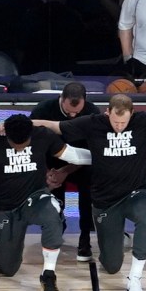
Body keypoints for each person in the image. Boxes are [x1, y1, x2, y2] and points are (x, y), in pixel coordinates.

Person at [56, 92, 146, 291]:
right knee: (111, 266)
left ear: (132, 114)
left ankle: (135, 278)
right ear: (107, 112)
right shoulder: (93, 123)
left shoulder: (143, 121)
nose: (119, 126)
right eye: (116, 122)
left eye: (124, 122)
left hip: (137, 192)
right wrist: (18, 124)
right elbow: (55, 126)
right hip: (106, 200)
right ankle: (116, 241)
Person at [0, 114, 68, 291]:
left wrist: (97, 158)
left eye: (24, 144)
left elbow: (68, 153)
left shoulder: (43, 135)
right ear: (6, 135)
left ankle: (48, 275)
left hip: (36, 198)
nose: (20, 149)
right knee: (7, 270)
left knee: (52, 215)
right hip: (6, 206)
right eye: (15, 145)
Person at [31, 82, 100, 262]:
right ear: (61, 98)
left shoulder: (93, 113)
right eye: (69, 111)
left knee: (90, 184)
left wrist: (66, 170)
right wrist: (46, 172)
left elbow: (95, 152)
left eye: (77, 113)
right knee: (51, 193)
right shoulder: (43, 110)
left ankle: (85, 237)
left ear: (85, 100)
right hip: (49, 163)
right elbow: (33, 147)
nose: (73, 115)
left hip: (81, 164)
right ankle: (55, 229)